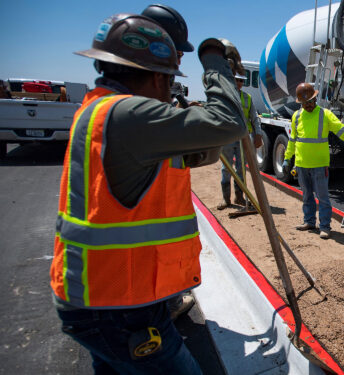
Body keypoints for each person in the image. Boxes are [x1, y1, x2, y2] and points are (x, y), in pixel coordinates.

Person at [50, 13, 247, 374]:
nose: (170, 89)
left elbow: (181, 157)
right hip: (118, 307)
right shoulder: (128, 114)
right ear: (158, 76)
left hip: (108, 296)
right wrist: (214, 60)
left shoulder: (101, 108)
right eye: (170, 78)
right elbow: (229, 123)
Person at [142, 2, 199, 321]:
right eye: (177, 52)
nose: (180, 60)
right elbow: (224, 126)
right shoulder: (141, 115)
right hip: (128, 295)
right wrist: (216, 62)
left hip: (130, 278)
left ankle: (169, 296)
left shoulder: (120, 108)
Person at [283, 82, 344, 239]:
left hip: (319, 165)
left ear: (315, 99)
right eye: (304, 103)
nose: (308, 105)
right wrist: (287, 159)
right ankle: (309, 221)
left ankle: (325, 226)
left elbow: (342, 131)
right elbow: (292, 140)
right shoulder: (296, 116)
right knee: (307, 196)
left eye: (310, 102)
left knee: (323, 198)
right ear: (300, 103)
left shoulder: (325, 115)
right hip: (302, 165)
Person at [217, 66, 263, 211]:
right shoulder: (225, 97)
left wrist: (258, 134)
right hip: (228, 137)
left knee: (241, 169)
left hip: (244, 138)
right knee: (226, 168)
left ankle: (239, 196)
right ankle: (226, 199)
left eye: (241, 81)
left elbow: (254, 118)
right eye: (236, 80)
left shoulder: (247, 98)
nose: (239, 84)